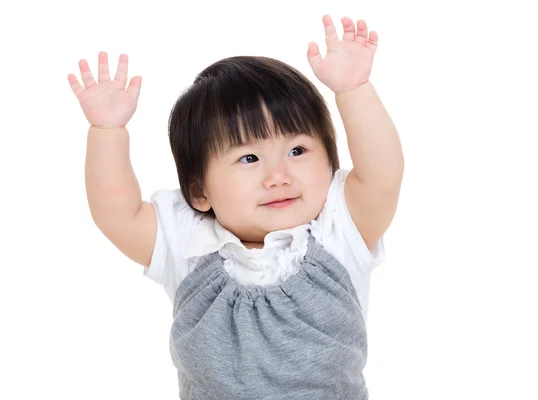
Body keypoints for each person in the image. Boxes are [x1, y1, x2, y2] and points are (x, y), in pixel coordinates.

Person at [69, 14, 404, 400]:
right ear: (200, 192)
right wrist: (108, 133)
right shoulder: (188, 243)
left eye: (297, 150)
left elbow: (382, 175)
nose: (278, 175)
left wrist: (353, 90)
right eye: (249, 158)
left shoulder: (339, 229)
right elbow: (117, 215)